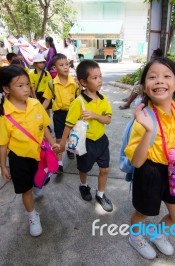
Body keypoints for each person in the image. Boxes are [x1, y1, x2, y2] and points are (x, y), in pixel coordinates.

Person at [124, 57, 175, 259]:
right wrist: (148, 130)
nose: (159, 81)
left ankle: (157, 234)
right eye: (152, 77)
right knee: (144, 212)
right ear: (145, 88)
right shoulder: (144, 118)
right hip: (149, 171)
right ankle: (135, 236)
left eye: (166, 76)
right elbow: (137, 162)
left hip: (173, 169)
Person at [0, 65, 59, 237]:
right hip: (18, 158)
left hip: (39, 154)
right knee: (25, 189)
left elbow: (44, 126)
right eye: (20, 86)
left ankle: (38, 184)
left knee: (40, 179)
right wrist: (3, 166)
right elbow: (2, 143)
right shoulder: (4, 114)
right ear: (7, 89)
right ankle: (32, 215)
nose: (26, 89)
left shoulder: (35, 104)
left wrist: (53, 144)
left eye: (27, 85)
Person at [59, 60, 113, 212]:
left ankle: (100, 194)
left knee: (104, 170)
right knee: (84, 169)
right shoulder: (78, 102)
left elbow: (108, 120)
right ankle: (84, 186)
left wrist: (95, 115)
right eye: (95, 78)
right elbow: (68, 124)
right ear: (83, 82)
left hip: (101, 141)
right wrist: (62, 144)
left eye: (100, 76)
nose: (99, 80)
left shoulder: (103, 100)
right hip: (85, 143)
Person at [42, 53, 79, 173]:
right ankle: (59, 164)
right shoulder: (51, 84)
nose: (65, 67)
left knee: (72, 138)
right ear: (54, 68)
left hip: (72, 115)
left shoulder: (74, 83)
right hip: (58, 115)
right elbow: (47, 101)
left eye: (67, 64)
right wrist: (38, 113)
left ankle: (69, 150)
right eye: (61, 65)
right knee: (58, 140)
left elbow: (79, 100)